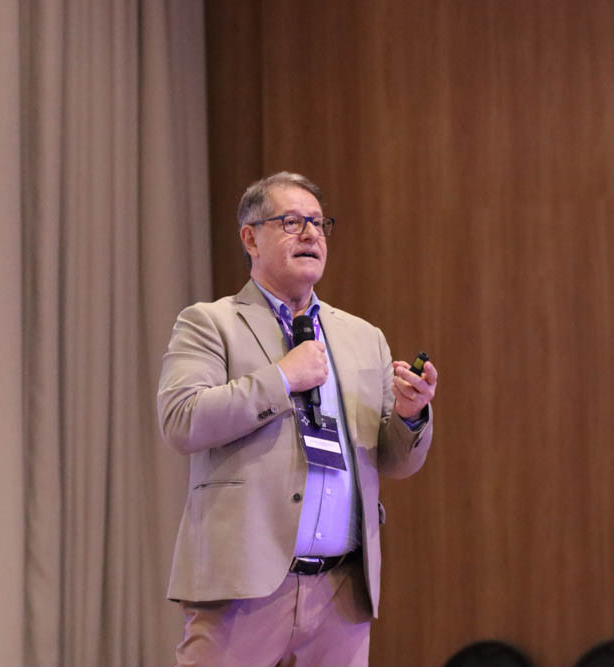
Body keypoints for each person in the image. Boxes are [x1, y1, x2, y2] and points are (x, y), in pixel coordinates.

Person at [157, 172, 438, 666]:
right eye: (291, 222)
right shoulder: (210, 322)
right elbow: (182, 420)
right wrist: (282, 378)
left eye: (318, 223)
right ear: (250, 239)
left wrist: (411, 415)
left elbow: (395, 461)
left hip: (340, 591)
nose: (310, 234)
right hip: (243, 590)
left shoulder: (362, 337)